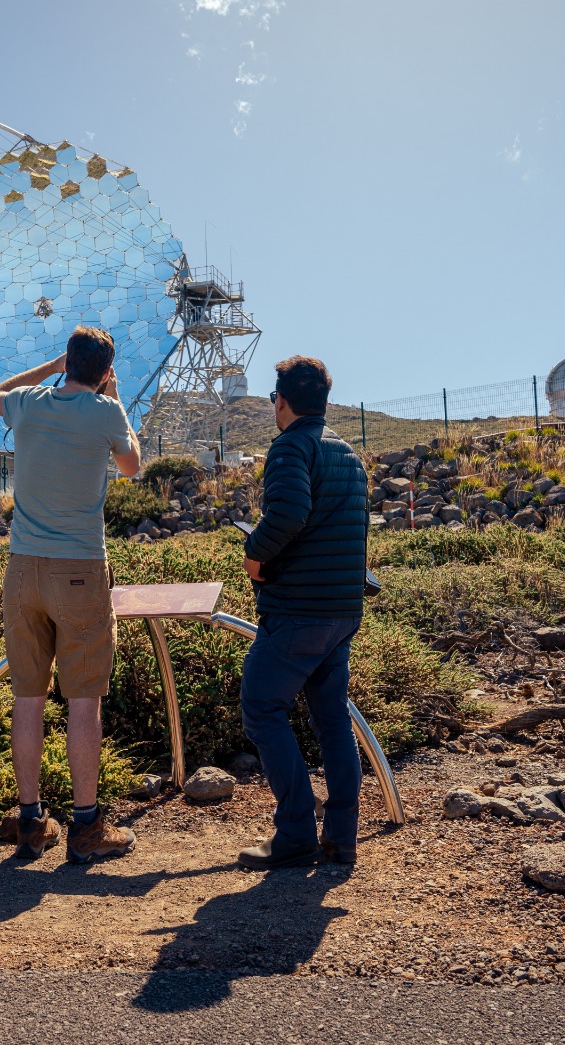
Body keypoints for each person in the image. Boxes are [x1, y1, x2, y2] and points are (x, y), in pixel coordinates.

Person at [0, 325, 142, 865]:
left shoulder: (27, 404)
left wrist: (49, 369)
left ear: (66, 361)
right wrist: (113, 399)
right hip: (79, 567)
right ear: (104, 371)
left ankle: (29, 821)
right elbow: (132, 466)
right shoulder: (106, 412)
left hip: (22, 568)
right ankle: (85, 826)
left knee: (27, 696)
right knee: (83, 698)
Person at [236, 356, 370, 869]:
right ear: (325, 401)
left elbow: (288, 514)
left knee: (262, 707)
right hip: (341, 610)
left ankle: (294, 832)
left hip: (298, 611)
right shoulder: (348, 453)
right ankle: (341, 838)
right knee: (331, 719)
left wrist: (256, 555)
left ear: (282, 400)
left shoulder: (292, 446)